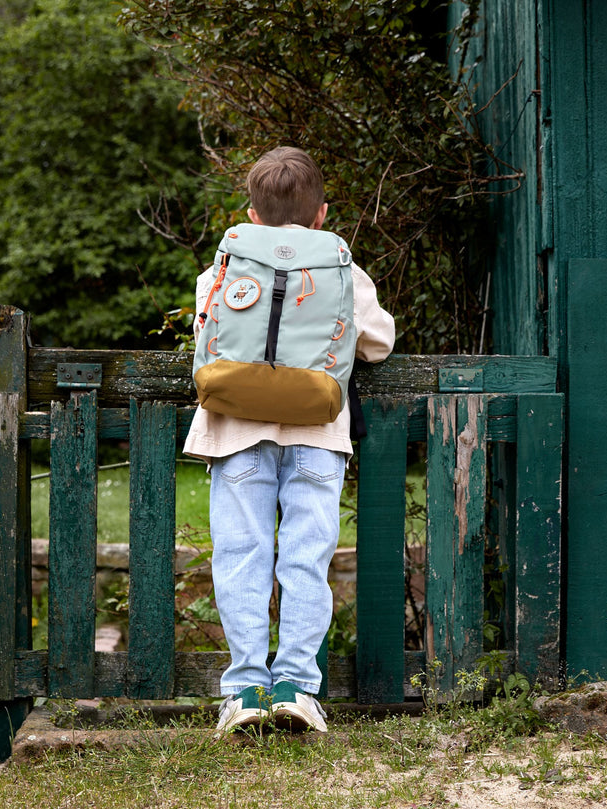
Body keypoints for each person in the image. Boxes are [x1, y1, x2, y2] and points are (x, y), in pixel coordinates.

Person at [183, 146, 395, 733]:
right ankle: (297, 689)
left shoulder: (220, 269)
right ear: (322, 214)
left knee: (241, 558)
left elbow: (207, 340)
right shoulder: (342, 270)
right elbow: (378, 343)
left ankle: (246, 689)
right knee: (306, 560)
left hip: (236, 433)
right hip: (318, 432)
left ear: (251, 214)